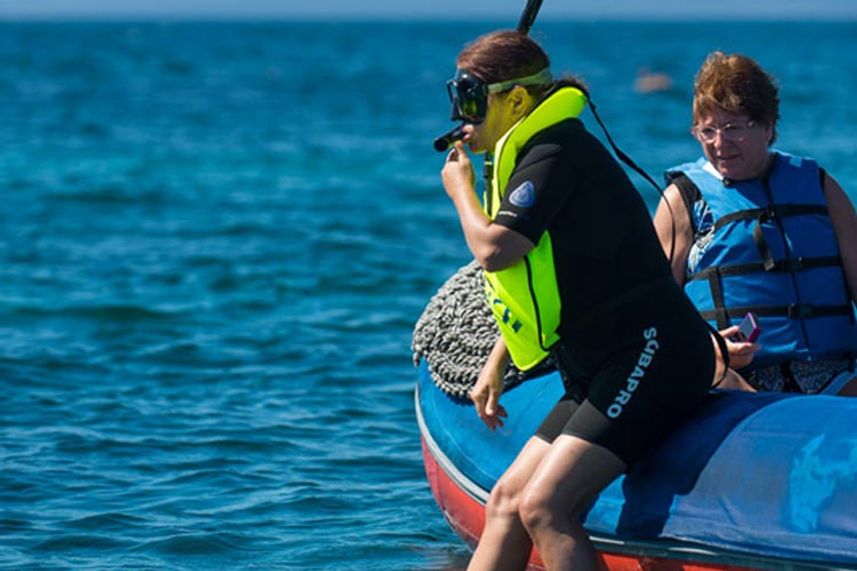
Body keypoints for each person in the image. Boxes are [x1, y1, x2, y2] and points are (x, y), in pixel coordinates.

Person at [440, 30, 720, 571]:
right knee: (506, 502)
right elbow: (542, 280)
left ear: (516, 100)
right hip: (596, 364)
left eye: (472, 98)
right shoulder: (526, 154)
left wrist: (461, 191)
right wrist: (498, 359)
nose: (460, 113)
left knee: (547, 507)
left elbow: (498, 250)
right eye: (455, 96)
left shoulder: (556, 152)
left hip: (652, 353)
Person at [653, 52, 857, 396]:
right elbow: (655, 310)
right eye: (707, 130)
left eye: (733, 128)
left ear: (768, 126)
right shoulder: (683, 201)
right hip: (735, 379)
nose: (719, 144)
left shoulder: (820, 187)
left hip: (833, 374)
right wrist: (709, 348)